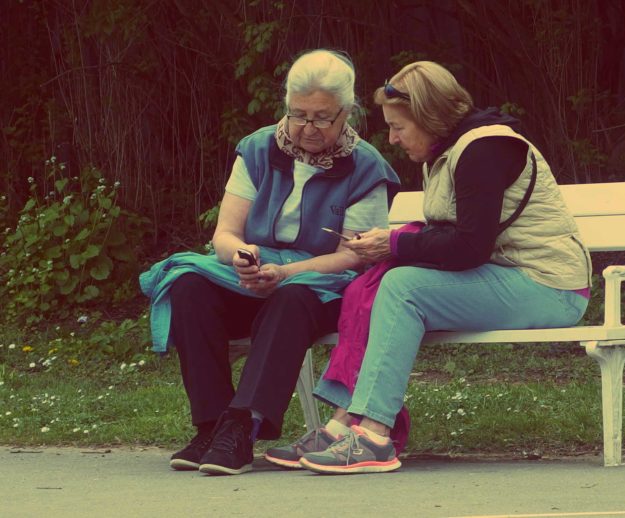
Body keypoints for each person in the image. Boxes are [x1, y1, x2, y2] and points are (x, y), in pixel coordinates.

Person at [293, 61, 592, 474]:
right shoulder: (447, 151)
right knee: (386, 285)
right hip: (508, 277)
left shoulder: (485, 149)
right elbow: (451, 236)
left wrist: (393, 243)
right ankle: (344, 423)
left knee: (403, 288)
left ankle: (374, 435)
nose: (393, 138)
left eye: (399, 127)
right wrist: (392, 245)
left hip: (549, 287)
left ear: (429, 117)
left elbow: (469, 247)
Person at [139, 49, 400, 476]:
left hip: (321, 289)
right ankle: (210, 426)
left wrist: (287, 273)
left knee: (290, 299)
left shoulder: (366, 166)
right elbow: (225, 234)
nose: (308, 128)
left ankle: (242, 427)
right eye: (298, 115)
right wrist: (242, 257)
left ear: (346, 113)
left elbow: (354, 256)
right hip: (256, 277)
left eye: (322, 118)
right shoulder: (258, 148)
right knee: (189, 286)